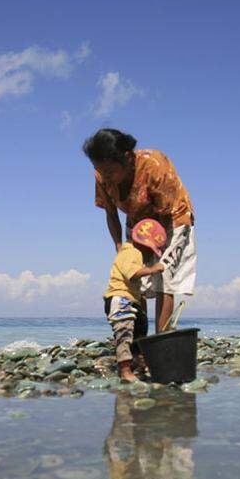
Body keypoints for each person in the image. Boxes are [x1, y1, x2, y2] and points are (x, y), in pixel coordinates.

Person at [83, 127, 197, 334]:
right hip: (137, 223)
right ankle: (139, 342)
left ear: (127, 158)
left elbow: (164, 215)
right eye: (100, 171)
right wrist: (121, 247)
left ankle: (162, 339)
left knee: (165, 279)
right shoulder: (101, 175)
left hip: (172, 219)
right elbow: (110, 213)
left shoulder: (154, 165)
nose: (104, 177)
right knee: (135, 281)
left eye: (109, 172)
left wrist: (153, 255)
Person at [104, 218, 167, 382]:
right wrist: (153, 269)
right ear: (143, 244)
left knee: (140, 329)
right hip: (120, 299)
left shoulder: (133, 252)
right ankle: (125, 370)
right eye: (150, 250)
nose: (150, 255)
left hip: (131, 300)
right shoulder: (131, 252)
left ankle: (140, 362)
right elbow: (132, 273)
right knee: (124, 332)